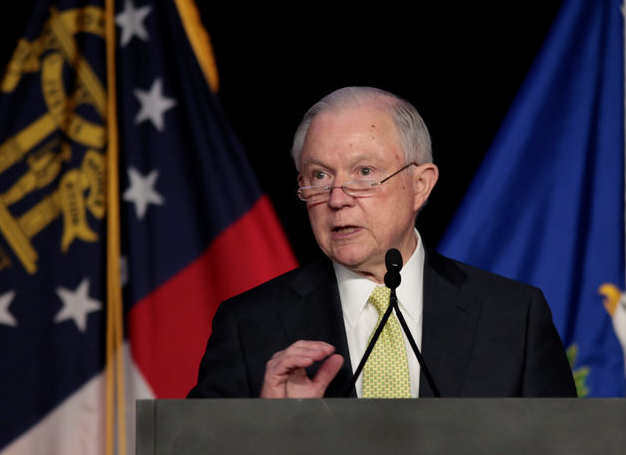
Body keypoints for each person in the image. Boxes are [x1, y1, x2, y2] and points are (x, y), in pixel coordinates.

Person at [188, 86, 576, 399]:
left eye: (365, 172)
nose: (337, 198)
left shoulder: (513, 317)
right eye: (319, 176)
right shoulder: (248, 325)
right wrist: (267, 430)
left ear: (420, 186)